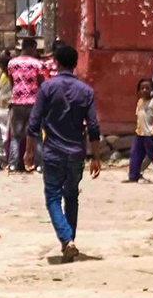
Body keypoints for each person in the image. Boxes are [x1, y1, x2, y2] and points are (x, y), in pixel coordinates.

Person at [28, 45, 102, 262]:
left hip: (52, 152)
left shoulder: (47, 88)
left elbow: (34, 122)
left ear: (57, 63)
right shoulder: (86, 91)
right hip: (76, 152)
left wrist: (29, 151)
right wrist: (96, 156)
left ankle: (66, 239)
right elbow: (94, 126)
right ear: (75, 63)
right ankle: (70, 241)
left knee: (52, 196)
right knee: (71, 196)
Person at [8, 38, 48, 172]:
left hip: (17, 102)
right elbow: (42, 83)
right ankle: (39, 165)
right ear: (32, 47)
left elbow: (12, 81)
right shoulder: (38, 64)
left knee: (16, 135)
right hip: (34, 103)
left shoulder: (12, 63)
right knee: (36, 135)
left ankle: (13, 164)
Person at [128, 79, 153, 183]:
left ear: (152, 90)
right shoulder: (140, 102)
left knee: (152, 154)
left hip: (150, 133)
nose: (145, 90)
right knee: (135, 154)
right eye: (142, 88)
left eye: (147, 88)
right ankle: (134, 176)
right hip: (140, 133)